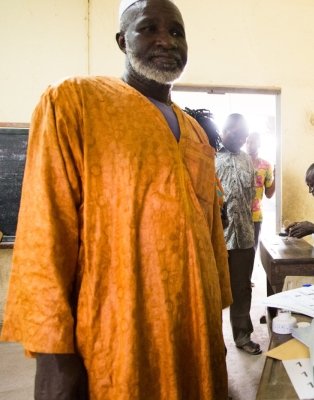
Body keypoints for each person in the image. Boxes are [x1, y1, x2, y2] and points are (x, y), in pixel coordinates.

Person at [0, 0, 233, 398]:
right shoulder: (75, 102)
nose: (166, 40)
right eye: (149, 29)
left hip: (192, 331)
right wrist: (53, 357)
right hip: (115, 336)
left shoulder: (196, 132)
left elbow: (210, 236)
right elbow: (44, 232)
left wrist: (215, 325)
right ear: (122, 40)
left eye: (177, 32)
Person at [215, 114, 262, 355]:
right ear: (225, 130)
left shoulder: (247, 160)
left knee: (242, 288)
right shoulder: (209, 157)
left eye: (246, 136)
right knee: (214, 292)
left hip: (244, 236)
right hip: (217, 239)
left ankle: (242, 336)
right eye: (239, 135)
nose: (244, 140)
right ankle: (214, 344)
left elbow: (251, 196)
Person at [246, 132, 275, 251]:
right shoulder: (240, 162)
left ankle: (250, 270)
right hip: (239, 214)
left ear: (259, 144)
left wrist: (276, 178)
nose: (249, 145)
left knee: (252, 250)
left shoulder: (266, 166)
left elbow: (269, 194)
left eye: (252, 142)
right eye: (247, 142)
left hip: (255, 217)